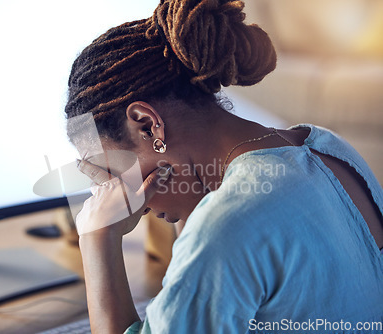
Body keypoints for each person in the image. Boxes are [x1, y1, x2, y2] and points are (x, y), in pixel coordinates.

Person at [64, 0, 383, 333]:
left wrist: (97, 238)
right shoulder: (329, 149)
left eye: (115, 174)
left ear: (147, 125)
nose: (126, 200)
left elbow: (227, 232)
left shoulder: (226, 225)